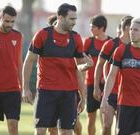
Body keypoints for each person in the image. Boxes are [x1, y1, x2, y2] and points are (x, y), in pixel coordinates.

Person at [22, 3, 92, 135]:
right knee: (41, 130)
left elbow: (79, 67)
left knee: (66, 132)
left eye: (75, 19)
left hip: (68, 93)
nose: (74, 22)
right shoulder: (42, 35)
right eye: (71, 19)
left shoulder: (76, 38)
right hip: (46, 91)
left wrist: (87, 66)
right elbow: (29, 61)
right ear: (60, 17)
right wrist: (25, 88)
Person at [100, 17, 140, 135]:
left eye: (135, 30)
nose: (131, 32)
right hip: (125, 104)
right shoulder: (121, 50)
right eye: (130, 29)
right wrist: (105, 98)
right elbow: (111, 76)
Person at [94, 16, 133, 135]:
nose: (136, 31)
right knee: (107, 124)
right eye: (134, 28)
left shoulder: (135, 46)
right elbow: (99, 65)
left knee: (121, 128)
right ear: (127, 28)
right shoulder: (111, 44)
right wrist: (96, 87)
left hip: (126, 93)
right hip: (110, 91)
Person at [45, 14, 83, 135]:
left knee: (75, 125)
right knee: (52, 128)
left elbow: (79, 72)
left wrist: (83, 95)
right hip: (50, 91)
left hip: (69, 91)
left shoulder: (72, 43)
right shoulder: (47, 48)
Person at [83, 14, 111, 135]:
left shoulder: (111, 42)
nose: (91, 29)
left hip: (106, 85)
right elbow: (80, 59)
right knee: (91, 118)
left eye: (93, 27)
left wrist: (106, 77)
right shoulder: (88, 42)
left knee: (105, 120)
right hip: (90, 84)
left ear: (101, 28)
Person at [0, 5, 23, 135]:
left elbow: (19, 62)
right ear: (0, 17)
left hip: (12, 90)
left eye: (12, 21)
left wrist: (23, 87)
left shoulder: (18, 36)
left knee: (13, 126)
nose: (9, 24)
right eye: (6, 21)